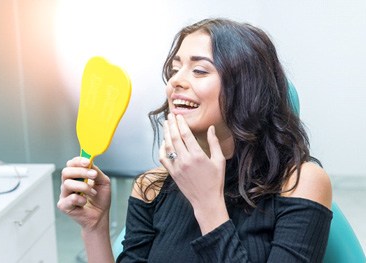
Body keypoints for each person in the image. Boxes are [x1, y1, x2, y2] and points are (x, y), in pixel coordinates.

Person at [57, 18, 332, 262]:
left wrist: (207, 204)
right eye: (175, 69)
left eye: (199, 70)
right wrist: (94, 228)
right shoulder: (150, 187)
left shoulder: (298, 183)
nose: (176, 81)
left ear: (248, 90)